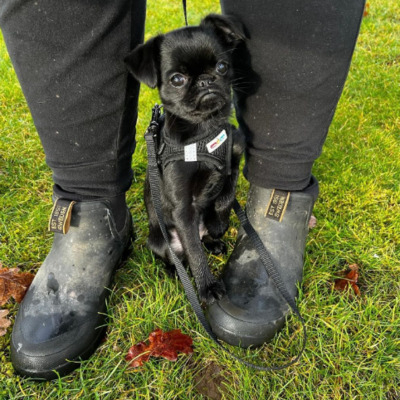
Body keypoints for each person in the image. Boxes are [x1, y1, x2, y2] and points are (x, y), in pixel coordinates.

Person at [0, 0, 366, 379]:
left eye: (220, 68)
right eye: (179, 79)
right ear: (155, 77)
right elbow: (180, 209)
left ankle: (280, 195)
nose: (207, 83)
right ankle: (89, 209)